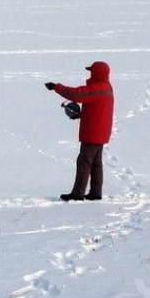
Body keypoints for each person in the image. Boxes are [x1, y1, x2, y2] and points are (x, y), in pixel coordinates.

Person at [46, 60, 115, 201]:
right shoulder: (106, 87)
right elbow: (98, 109)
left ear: (96, 73)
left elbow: (76, 94)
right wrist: (82, 114)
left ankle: (78, 193)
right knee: (96, 162)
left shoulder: (97, 88)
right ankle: (96, 192)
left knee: (84, 162)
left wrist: (56, 87)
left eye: (91, 71)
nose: (90, 73)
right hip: (100, 131)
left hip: (93, 133)